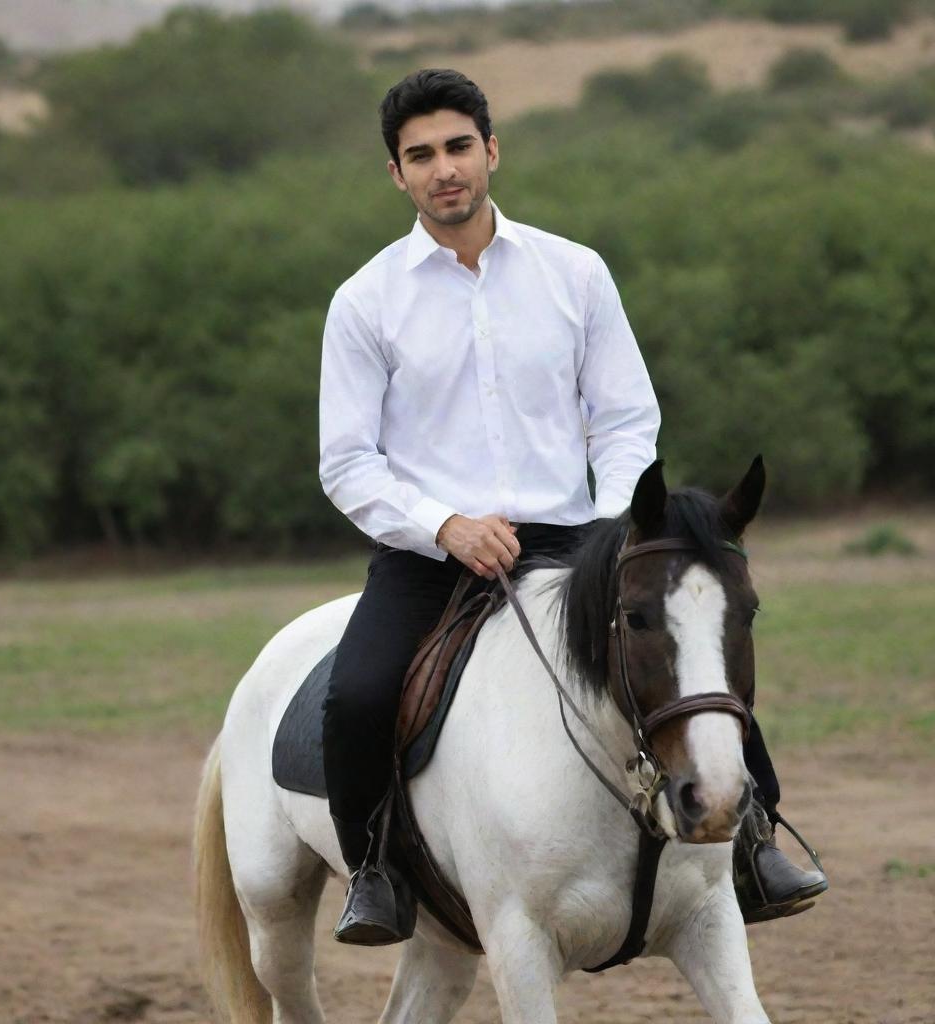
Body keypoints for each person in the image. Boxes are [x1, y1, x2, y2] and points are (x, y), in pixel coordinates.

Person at [318, 68, 826, 946]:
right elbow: (348, 462)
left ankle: (754, 842)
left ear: (492, 151)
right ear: (395, 174)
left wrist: (612, 526)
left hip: (576, 537)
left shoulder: (574, 272)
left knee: (688, 655)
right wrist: (445, 524)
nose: (445, 169)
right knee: (358, 695)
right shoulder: (366, 301)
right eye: (421, 155)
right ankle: (375, 872)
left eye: (459, 147)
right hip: (431, 550)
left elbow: (627, 417)